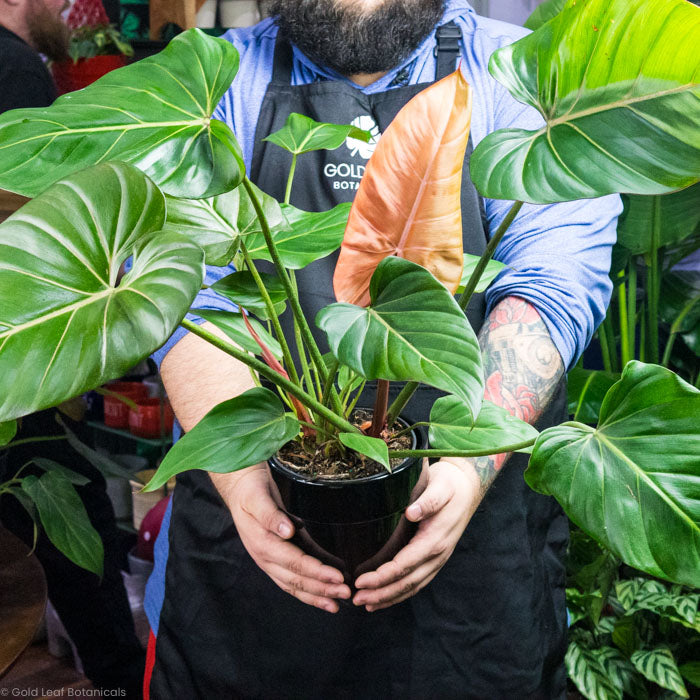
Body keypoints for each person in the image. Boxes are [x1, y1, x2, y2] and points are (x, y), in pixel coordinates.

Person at [144, 1, 622, 697]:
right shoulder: (207, 85)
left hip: (469, 576)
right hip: (245, 570)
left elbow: (551, 281)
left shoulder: (526, 83)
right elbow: (186, 297)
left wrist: (465, 467)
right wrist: (248, 487)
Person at [0, 2, 145, 696]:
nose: (70, 7)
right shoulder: (15, 68)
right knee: (73, 539)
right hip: (26, 357)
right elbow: (34, 232)